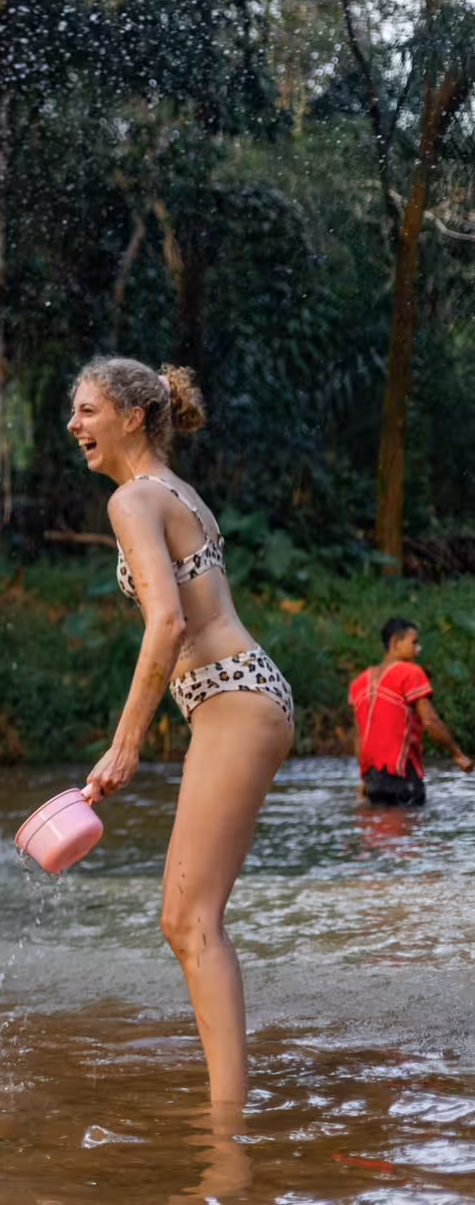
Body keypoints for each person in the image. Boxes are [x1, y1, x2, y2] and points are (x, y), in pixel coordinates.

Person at [67, 357, 293, 1112]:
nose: (74, 425)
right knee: (185, 919)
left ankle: (228, 1133)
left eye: (88, 410)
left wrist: (126, 741)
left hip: (233, 696)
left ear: (132, 417)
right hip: (240, 694)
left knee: (191, 920)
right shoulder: (172, 489)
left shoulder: (133, 498)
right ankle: (228, 1114)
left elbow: (167, 622)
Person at [348, 616, 472, 806]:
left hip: (372, 779)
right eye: (413, 642)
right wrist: (457, 754)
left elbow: (359, 737)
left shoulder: (359, 682)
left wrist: (363, 778)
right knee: (410, 822)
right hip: (402, 774)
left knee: (378, 823)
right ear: (395, 643)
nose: (418, 649)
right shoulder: (410, 673)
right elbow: (430, 720)